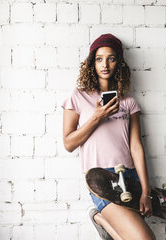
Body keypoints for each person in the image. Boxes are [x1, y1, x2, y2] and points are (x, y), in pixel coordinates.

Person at [62, 34, 156, 240]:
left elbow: (136, 147)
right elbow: (68, 144)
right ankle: (100, 217)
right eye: (99, 58)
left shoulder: (129, 102)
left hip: (130, 178)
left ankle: (100, 220)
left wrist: (146, 192)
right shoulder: (78, 97)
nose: (105, 64)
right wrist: (97, 117)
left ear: (119, 63)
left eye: (111, 58)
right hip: (101, 180)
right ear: (91, 63)